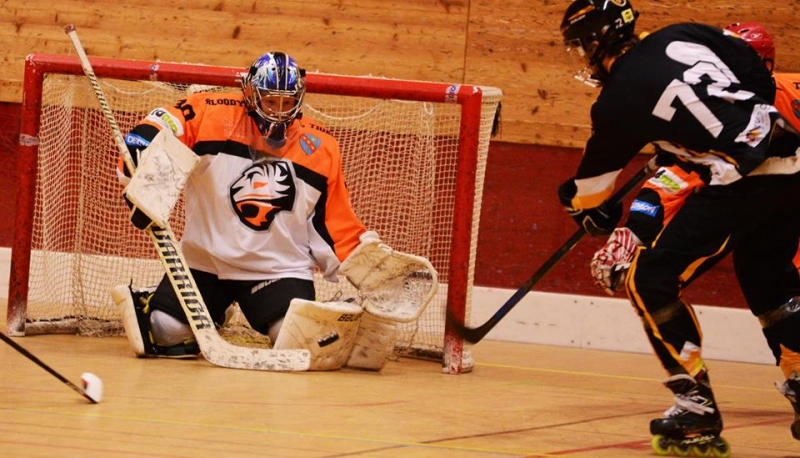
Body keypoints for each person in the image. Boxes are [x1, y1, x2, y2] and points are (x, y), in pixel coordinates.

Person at [558, 1, 800, 454]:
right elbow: (754, 72)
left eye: (583, 46)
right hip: (790, 163)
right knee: (767, 279)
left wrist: (585, 210)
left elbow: (590, 196)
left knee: (648, 280)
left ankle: (696, 408)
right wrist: (695, 140)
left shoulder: (616, 100)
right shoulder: (681, 32)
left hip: (743, 178)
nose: (584, 56)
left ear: (598, 40)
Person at [111, 52, 435, 371]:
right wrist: (142, 144)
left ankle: (329, 314)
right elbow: (166, 121)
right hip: (205, 263)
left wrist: (369, 265)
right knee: (166, 331)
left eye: (286, 102)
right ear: (251, 94)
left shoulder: (320, 147)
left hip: (277, 270)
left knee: (294, 341)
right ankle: (202, 309)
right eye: (270, 100)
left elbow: (332, 223)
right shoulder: (213, 112)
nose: (278, 110)